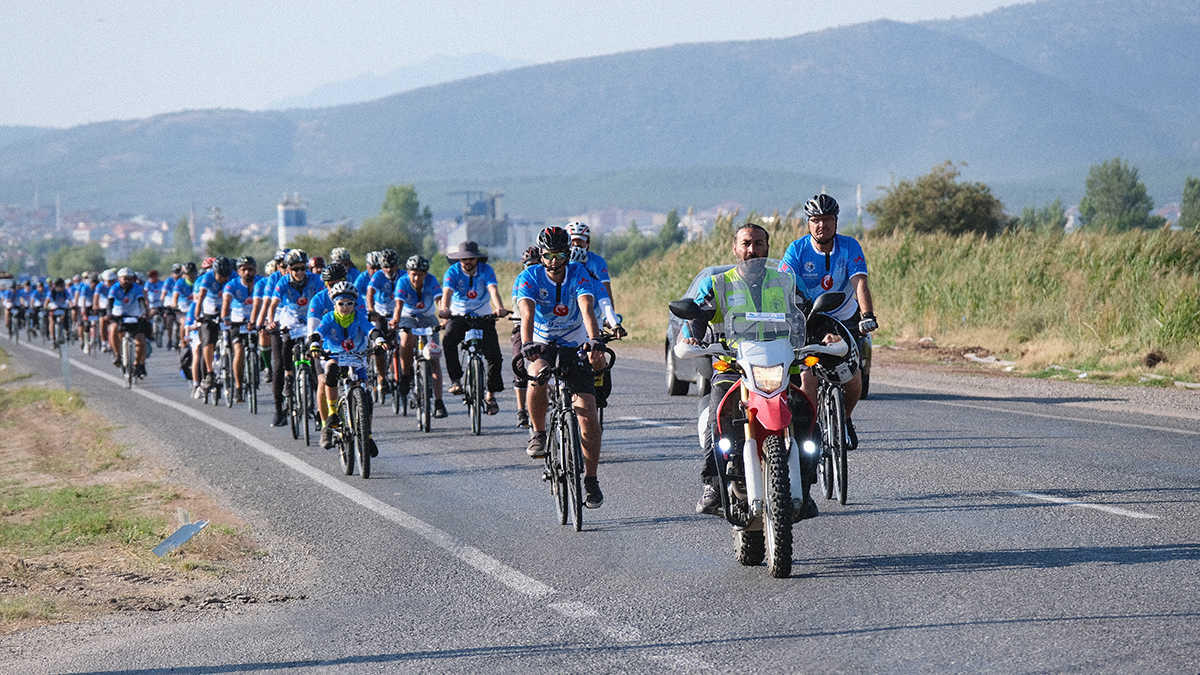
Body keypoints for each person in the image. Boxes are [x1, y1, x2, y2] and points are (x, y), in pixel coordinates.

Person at [680, 222, 819, 519]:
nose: (752, 249)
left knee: (807, 417)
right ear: (735, 248)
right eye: (746, 243)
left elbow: (810, 313)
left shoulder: (787, 282)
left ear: (767, 248)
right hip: (734, 366)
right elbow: (697, 315)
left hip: (782, 366)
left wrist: (825, 335)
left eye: (758, 243)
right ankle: (713, 485)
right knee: (716, 417)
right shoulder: (718, 283)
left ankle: (806, 487)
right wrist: (692, 336)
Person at [515, 227, 609, 508]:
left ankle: (591, 479)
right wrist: (527, 344)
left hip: (574, 343)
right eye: (548, 256)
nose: (554, 262)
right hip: (542, 342)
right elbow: (527, 314)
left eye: (559, 256)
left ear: (568, 255)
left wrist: (594, 339)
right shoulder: (530, 276)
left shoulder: (578, 272)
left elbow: (586, 308)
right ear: (541, 255)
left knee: (588, 415)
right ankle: (538, 432)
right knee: (537, 374)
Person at [779, 194, 877, 449]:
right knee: (808, 379)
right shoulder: (797, 250)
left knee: (853, 379)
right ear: (808, 223)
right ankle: (810, 429)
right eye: (816, 220)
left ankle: (845, 419)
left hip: (844, 319)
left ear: (835, 222)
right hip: (809, 320)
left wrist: (867, 315)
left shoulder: (849, 246)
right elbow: (782, 285)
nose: (822, 225)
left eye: (827, 219)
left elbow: (860, 283)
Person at [309, 282, 384, 453]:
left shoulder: (358, 317)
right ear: (334, 304)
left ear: (355, 304)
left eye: (349, 303)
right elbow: (318, 333)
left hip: (356, 356)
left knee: (365, 395)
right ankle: (332, 412)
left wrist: (379, 340)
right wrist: (314, 344)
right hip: (334, 355)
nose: (345, 307)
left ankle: (367, 435)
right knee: (331, 370)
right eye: (341, 303)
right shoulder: (329, 318)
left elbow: (370, 330)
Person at [439, 240, 509, 416]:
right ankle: (456, 380)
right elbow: (447, 293)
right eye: (464, 259)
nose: (467, 262)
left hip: (482, 315)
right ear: (459, 260)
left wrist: (499, 308)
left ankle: (490, 395)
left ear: (477, 259)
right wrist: (445, 309)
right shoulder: (453, 271)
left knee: (494, 356)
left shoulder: (486, 270)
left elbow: (493, 290)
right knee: (448, 340)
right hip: (459, 315)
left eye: (471, 258)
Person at [266, 249, 324, 427]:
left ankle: (320, 411)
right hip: (290, 319)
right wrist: (270, 321)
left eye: (302, 268)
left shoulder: (315, 279)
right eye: (295, 269)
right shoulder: (283, 281)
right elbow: (273, 304)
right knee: (285, 344)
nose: (299, 272)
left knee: (316, 362)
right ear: (289, 269)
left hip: (310, 318)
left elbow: (324, 298)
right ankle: (289, 376)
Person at [390, 255, 447, 419]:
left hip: (428, 318)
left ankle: (439, 402)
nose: (417, 278)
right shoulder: (402, 282)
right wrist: (395, 320)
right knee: (406, 338)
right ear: (408, 273)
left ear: (425, 274)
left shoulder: (432, 280)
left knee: (434, 358)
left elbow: (439, 300)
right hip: (408, 317)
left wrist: (444, 316)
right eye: (413, 274)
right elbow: (398, 306)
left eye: (420, 275)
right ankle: (406, 375)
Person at [220, 255, 262, 402]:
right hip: (238, 322)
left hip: (256, 321)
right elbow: (226, 303)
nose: (247, 272)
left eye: (250, 269)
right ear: (238, 271)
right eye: (244, 270)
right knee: (239, 351)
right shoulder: (231, 285)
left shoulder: (260, 282)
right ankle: (238, 386)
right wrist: (225, 317)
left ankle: (263, 367)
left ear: (255, 270)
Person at [192, 256, 234, 392]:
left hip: (228, 309)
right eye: (221, 276)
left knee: (236, 338)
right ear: (215, 272)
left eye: (226, 276)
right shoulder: (207, 277)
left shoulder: (233, 276)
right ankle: (210, 372)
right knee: (208, 341)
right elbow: (200, 298)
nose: (224, 279)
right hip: (210, 310)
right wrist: (198, 315)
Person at [510, 246, 541, 428]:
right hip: (522, 324)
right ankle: (521, 409)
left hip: (544, 327)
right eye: (530, 264)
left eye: (537, 263)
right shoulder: (522, 279)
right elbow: (518, 304)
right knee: (519, 363)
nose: (533, 268)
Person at [366, 249, 402, 396]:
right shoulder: (378, 276)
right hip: (382, 315)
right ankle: (382, 377)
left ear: (397, 265)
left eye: (392, 266)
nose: (389, 269)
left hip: (400, 314)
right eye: (385, 266)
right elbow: (370, 293)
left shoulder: (403, 275)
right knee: (379, 346)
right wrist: (371, 310)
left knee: (407, 341)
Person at [107, 267, 151, 377]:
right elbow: (110, 301)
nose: (127, 281)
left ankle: (137, 364)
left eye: (129, 279)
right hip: (119, 314)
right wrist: (108, 313)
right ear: (119, 279)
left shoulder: (137, 288)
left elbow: (141, 300)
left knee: (140, 341)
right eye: (124, 278)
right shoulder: (115, 287)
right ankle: (117, 354)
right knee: (113, 328)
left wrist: (144, 312)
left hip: (134, 314)